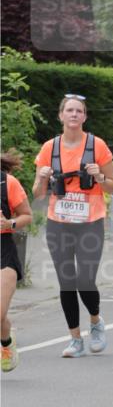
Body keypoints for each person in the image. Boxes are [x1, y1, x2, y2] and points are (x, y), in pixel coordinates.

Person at [33, 94, 113, 357]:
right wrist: (43, 178)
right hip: (59, 223)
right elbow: (36, 193)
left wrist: (99, 176)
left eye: (78, 111)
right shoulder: (49, 148)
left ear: (84, 116)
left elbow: (112, 187)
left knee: (85, 279)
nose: (73, 115)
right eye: (69, 110)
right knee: (66, 281)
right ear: (60, 115)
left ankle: (95, 321)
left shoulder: (97, 145)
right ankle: (75, 339)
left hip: (90, 222)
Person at [1, 151, 33, 372]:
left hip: (3, 254)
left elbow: (27, 215)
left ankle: (5, 344)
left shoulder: (7, 182)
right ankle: (6, 342)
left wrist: (9, 224)